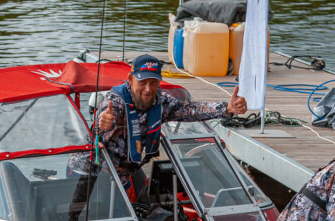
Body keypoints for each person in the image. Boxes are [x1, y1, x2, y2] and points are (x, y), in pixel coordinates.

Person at [70, 54, 247, 206]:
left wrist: (227, 109)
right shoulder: (114, 102)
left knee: (141, 208)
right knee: (89, 216)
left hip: (125, 171)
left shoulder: (161, 102)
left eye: (153, 83)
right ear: (131, 80)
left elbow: (190, 110)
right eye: (143, 82)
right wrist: (102, 125)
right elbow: (94, 134)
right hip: (89, 171)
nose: (148, 90)